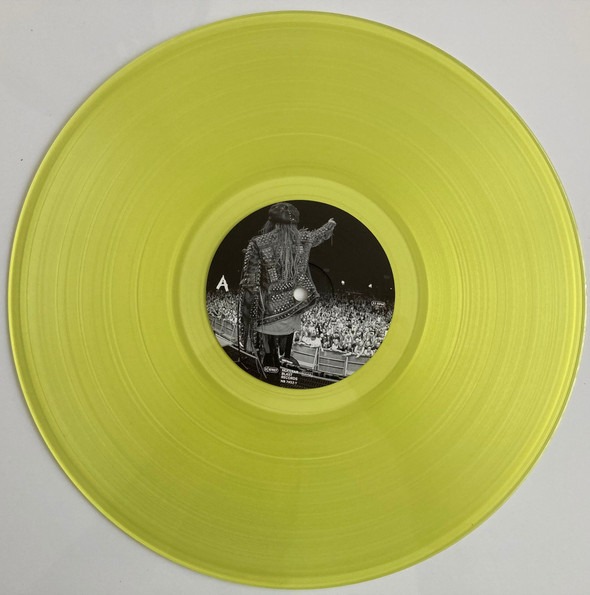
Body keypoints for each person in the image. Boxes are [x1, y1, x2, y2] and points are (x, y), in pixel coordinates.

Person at [238, 202, 336, 378]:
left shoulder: (258, 243)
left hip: (268, 314)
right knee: (280, 350)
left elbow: (250, 286)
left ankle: (269, 370)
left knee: (267, 352)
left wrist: (248, 320)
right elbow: (320, 234)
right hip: (296, 307)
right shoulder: (303, 238)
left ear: (271, 221)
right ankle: (280, 363)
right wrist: (330, 224)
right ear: (295, 222)